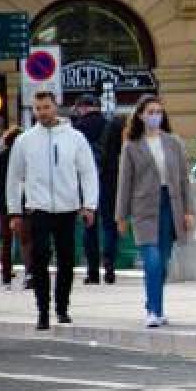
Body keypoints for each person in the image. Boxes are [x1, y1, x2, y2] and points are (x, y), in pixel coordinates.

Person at [7, 92, 100, 330]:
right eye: (38, 108)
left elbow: (88, 172)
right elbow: (15, 177)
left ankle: (62, 307)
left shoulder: (75, 138)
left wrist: (89, 204)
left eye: (46, 107)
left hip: (68, 208)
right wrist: (15, 212)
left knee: (67, 259)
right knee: (39, 258)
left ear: (55, 107)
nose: (42, 112)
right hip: (38, 209)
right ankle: (43, 310)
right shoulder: (25, 141)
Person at [115, 95, 193, 329]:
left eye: (158, 112)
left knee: (165, 260)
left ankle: (154, 303)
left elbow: (183, 179)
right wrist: (121, 215)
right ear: (140, 115)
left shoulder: (174, 142)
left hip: (170, 205)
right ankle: (154, 311)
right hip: (144, 208)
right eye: (150, 112)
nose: (155, 116)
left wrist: (188, 210)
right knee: (152, 259)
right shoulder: (132, 145)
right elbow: (124, 182)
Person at [70, 94, 108, 285]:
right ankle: (109, 269)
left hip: (84, 182)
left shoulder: (76, 129)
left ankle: (92, 271)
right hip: (109, 181)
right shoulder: (112, 125)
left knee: (89, 226)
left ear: (81, 108)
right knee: (109, 225)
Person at [0, 123, 24, 289]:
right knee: (26, 238)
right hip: (21, 200)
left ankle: (6, 276)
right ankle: (30, 273)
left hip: (2, 199)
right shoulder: (24, 157)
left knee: (6, 239)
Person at [97, 113, 125, 284]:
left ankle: (109, 265)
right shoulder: (126, 151)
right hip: (123, 190)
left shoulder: (106, 154)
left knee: (109, 228)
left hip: (107, 188)